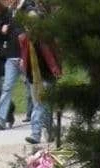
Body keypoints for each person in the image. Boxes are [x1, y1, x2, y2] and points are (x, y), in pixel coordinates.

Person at [20, 10, 60, 145]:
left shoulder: (45, 38)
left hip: (46, 76)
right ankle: (48, 132)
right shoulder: (26, 39)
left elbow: (52, 56)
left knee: (41, 106)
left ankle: (38, 133)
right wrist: (25, 74)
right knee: (42, 106)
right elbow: (25, 59)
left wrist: (55, 69)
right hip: (33, 78)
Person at [0, 0, 24, 131]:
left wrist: (24, 56)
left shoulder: (26, 10)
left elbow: (25, 34)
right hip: (11, 56)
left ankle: (45, 122)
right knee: (7, 87)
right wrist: (3, 33)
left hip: (24, 57)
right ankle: (1, 119)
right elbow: (2, 37)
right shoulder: (8, 13)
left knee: (33, 89)